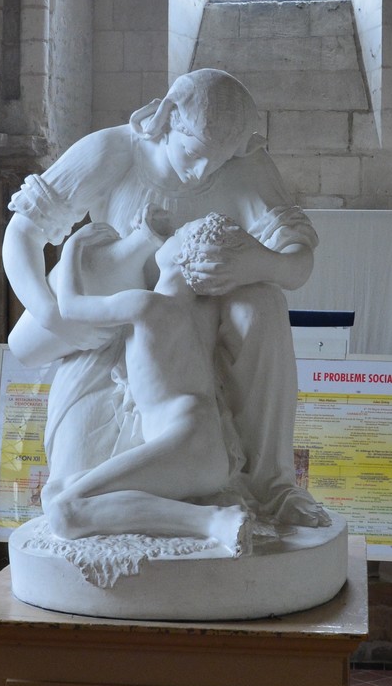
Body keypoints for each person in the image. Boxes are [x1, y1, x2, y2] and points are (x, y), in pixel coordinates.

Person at [1, 69, 331, 535]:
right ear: (167, 118)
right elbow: (23, 233)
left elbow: (297, 264)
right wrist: (50, 312)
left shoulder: (244, 163)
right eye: (194, 154)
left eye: (217, 163)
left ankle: (272, 485)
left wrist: (255, 263)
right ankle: (194, 506)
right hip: (115, 327)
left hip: (191, 318)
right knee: (76, 483)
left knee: (262, 304)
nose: (202, 172)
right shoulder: (114, 151)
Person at [44, 214, 256, 553]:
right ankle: (207, 516)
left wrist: (71, 248)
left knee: (64, 513)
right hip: (202, 448)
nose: (169, 234)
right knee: (63, 490)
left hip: (184, 445)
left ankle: (214, 520)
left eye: (178, 233)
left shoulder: (146, 303)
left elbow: (69, 307)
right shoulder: (203, 311)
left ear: (182, 255)